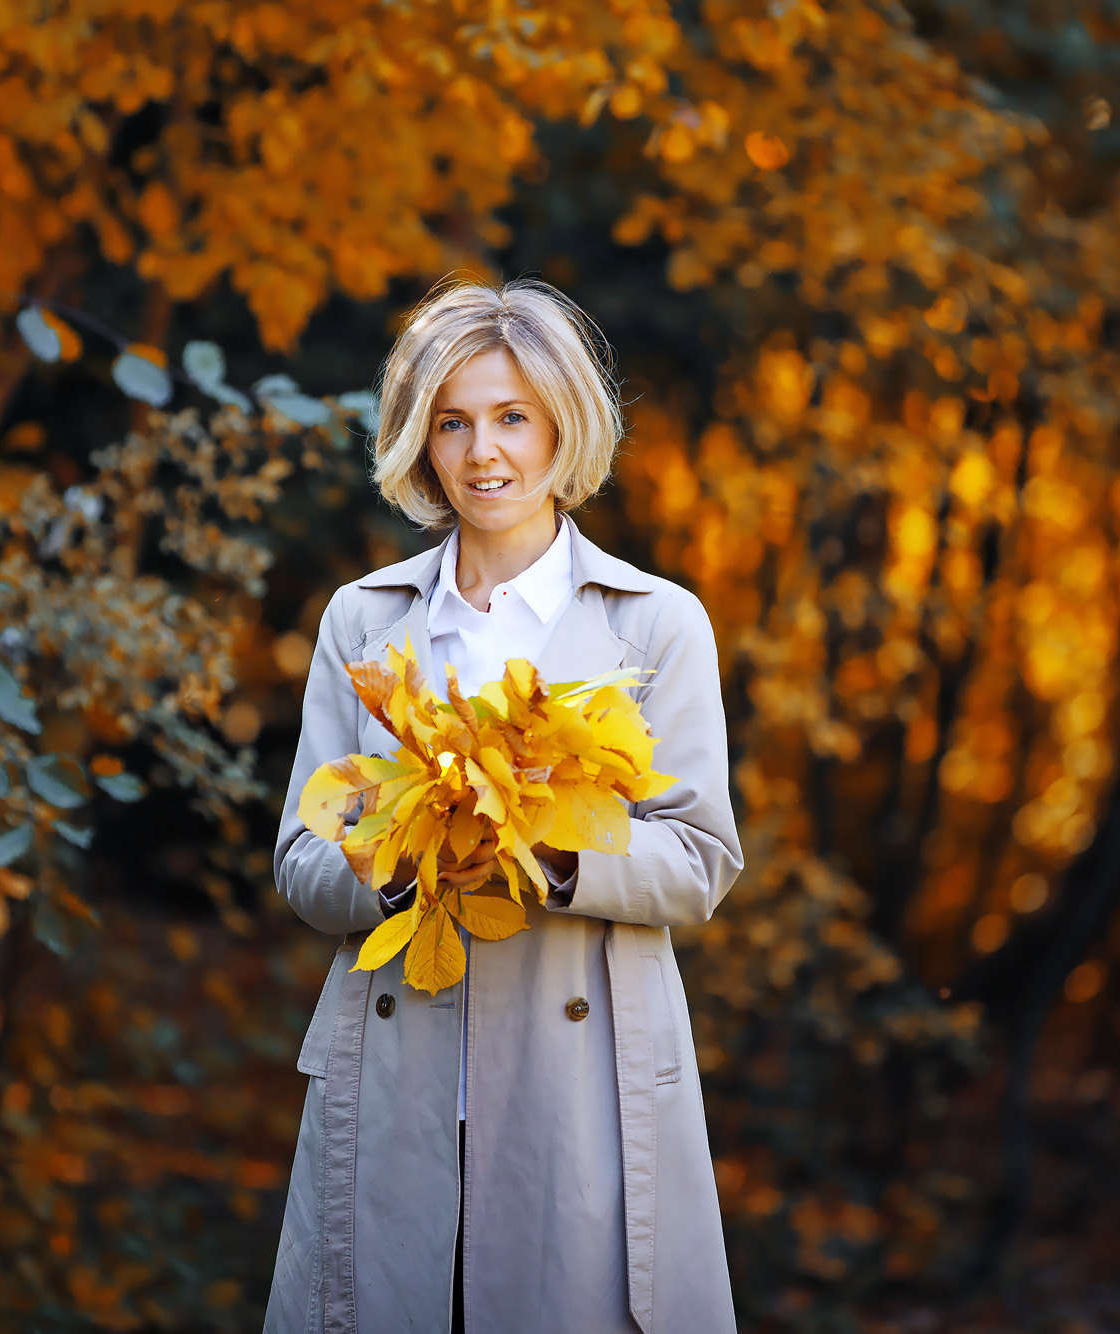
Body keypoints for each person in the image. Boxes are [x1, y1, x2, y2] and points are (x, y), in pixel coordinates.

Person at [264, 278, 745, 1334]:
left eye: (511, 416)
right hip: (394, 1084)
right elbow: (301, 862)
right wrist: (408, 855)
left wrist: (542, 850)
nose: (484, 451)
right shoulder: (364, 620)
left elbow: (701, 859)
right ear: (420, 441)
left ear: (561, 424)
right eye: (452, 421)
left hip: (582, 1093)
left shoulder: (653, 624)